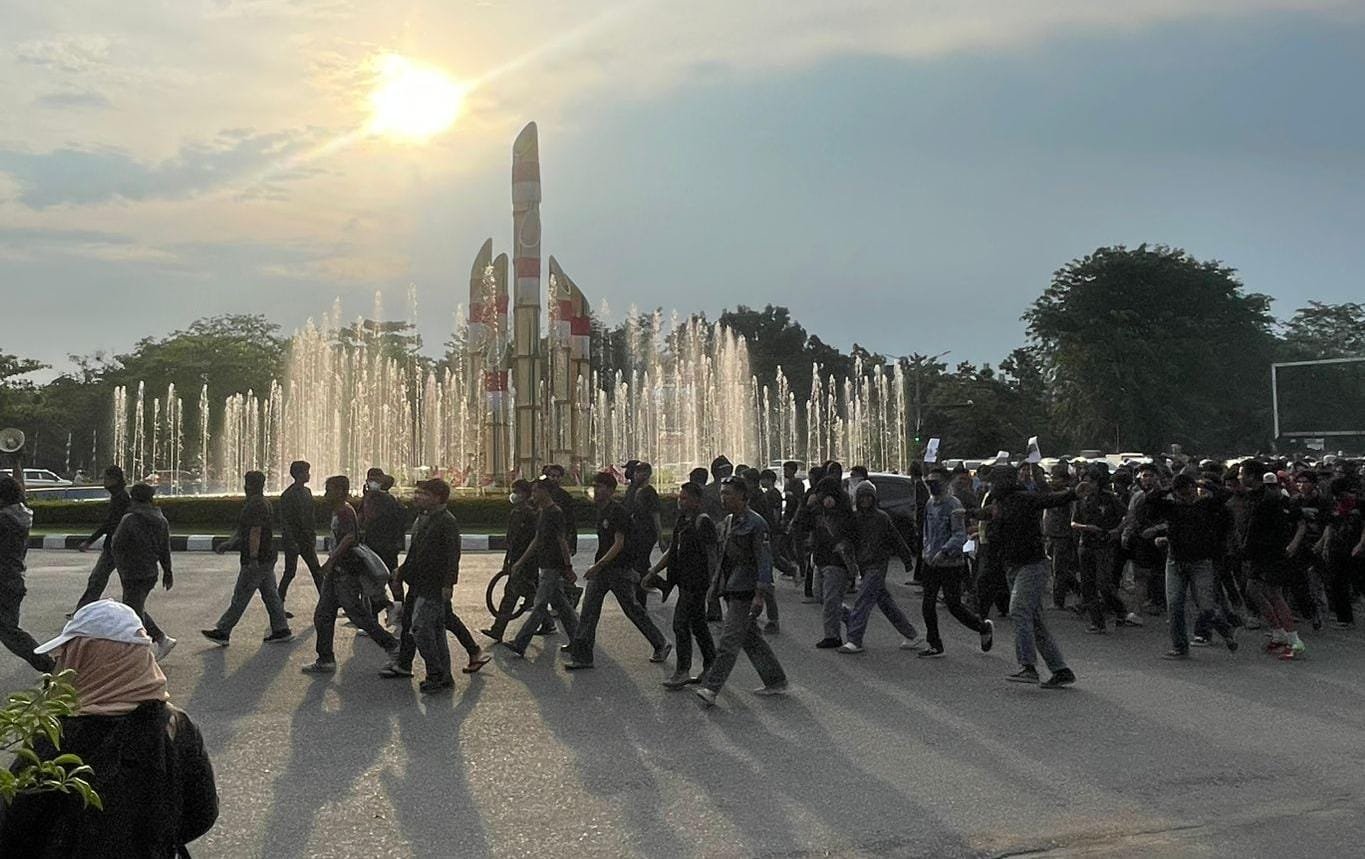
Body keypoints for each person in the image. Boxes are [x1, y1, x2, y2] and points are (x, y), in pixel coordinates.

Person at [0, 600, 218, 855]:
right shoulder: (177, 726)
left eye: (68, 653)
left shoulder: (57, 735)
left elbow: (13, 826)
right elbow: (202, 813)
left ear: (85, 659)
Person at [694, 476, 788, 707]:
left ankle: (712, 687)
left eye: (729, 494)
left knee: (729, 640)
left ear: (743, 497)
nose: (723, 497)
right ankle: (775, 679)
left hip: (747, 589)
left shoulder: (756, 524)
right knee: (750, 638)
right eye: (722, 493)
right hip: (731, 587)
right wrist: (714, 588)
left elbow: (764, 562)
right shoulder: (727, 522)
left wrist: (760, 596)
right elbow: (722, 558)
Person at [563, 472, 671, 670]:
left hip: (617, 570)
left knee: (633, 610)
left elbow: (618, 544)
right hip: (604, 570)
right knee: (588, 611)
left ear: (611, 491)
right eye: (595, 486)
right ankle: (583, 656)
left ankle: (660, 643)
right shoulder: (602, 511)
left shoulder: (617, 512)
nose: (596, 490)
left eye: (601, 487)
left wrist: (598, 565)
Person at [982, 466, 1077, 687]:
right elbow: (994, 531)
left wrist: (1073, 493)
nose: (991, 485)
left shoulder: (1022, 498)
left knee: (1019, 611)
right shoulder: (998, 505)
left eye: (994, 481)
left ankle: (1028, 666)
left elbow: (1049, 500)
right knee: (1033, 621)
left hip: (1032, 565)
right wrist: (976, 515)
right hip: (1013, 565)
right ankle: (1060, 670)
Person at [382, 478, 476, 693]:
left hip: (433, 584)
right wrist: (402, 571)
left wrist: (448, 584)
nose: (417, 497)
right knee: (435, 630)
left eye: (423, 494)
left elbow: (453, 556)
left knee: (421, 629)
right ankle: (443, 676)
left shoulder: (446, 521)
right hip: (418, 581)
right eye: (417, 493)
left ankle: (435, 673)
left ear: (438, 498)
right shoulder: (424, 518)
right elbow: (416, 551)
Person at [301, 475, 400, 674]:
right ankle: (325, 658)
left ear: (340, 490)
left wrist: (331, 561)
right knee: (323, 614)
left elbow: (349, 538)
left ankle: (393, 646)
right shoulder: (339, 510)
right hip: (337, 573)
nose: (326, 493)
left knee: (357, 614)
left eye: (329, 489)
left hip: (344, 573)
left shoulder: (345, 511)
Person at [1142, 473, 1238, 658]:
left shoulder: (1205, 506)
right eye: (1182, 493)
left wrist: (1204, 483)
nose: (1186, 496)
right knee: (1175, 605)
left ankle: (1223, 627)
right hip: (1175, 561)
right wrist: (1170, 487)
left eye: (1189, 491)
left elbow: (1226, 494)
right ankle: (1180, 646)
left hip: (1201, 562)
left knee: (1206, 606)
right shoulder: (1171, 507)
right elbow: (1150, 500)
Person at [202, 471, 294, 647]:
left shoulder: (256, 504)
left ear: (249, 485)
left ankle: (223, 631)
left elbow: (255, 532)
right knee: (270, 594)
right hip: (267, 556)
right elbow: (245, 530)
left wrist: (252, 558)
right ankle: (281, 629)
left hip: (257, 558)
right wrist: (229, 543)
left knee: (241, 595)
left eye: (246, 483)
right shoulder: (261, 502)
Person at [839, 479, 925, 653]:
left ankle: (854, 639)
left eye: (868, 497)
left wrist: (907, 559)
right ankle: (911, 635)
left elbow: (896, 539)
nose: (865, 501)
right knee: (885, 602)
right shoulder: (855, 519)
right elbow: (848, 539)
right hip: (865, 564)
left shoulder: (881, 518)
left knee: (863, 600)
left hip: (877, 564)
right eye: (862, 497)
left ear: (874, 498)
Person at [915, 467, 993, 658]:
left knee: (954, 605)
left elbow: (959, 534)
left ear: (945, 483)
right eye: (930, 483)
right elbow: (927, 530)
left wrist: (945, 551)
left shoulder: (953, 504)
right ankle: (934, 643)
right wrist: (926, 551)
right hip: (931, 561)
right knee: (928, 604)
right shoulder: (930, 504)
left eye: (936, 483)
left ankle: (982, 627)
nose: (932, 487)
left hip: (950, 563)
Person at [650, 482, 718, 687]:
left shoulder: (703, 522)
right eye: (680, 497)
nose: (681, 501)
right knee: (698, 625)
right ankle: (711, 665)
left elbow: (712, 555)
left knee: (680, 624)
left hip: (697, 583)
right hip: (684, 581)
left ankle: (683, 670)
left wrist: (713, 585)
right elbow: (673, 550)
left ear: (697, 501)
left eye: (685, 498)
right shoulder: (682, 520)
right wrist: (654, 571)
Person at [502, 477, 579, 656]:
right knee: (563, 606)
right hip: (544, 563)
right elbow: (537, 540)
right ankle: (579, 639)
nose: (533, 494)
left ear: (545, 491)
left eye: (536, 490)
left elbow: (562, 540)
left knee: (539, 605)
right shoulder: (543, 512)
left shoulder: (555, 512)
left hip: (553, 565)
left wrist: (568, 566)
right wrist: (520, 562)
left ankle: (520, 643)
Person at [1241, 463, 1306, 660]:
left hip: (1271, 553)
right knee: (1252, 589)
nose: (1240, 477)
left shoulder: (1269, 500)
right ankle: (1279, 633)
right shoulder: (1255, 497)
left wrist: (1289, 546)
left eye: (1242, 473)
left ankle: (1294, 640)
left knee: (1274, 593)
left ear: (1252, 476)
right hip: (1260, 553)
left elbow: (1261, 530)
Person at [109, 482, 177, 660]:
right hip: (149, 572)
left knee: (133, 613)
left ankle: (145, 651)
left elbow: (116, 544)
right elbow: (165, 548)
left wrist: (120, 564)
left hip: (131, 571)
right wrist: (168, 572)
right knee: (133, 607)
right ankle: (158, 640)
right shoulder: (161, 520)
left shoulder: (129, 520)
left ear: (134, 499)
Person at [0, 454, 54, 672]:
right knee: (8, 630)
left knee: (9, 631)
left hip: (3, 581)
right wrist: (16, 464)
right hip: (12, 579)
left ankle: (50, 665)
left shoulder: (3, 521)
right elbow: (19, 490)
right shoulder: (20, 513)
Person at [1073, 463, 1141, 633]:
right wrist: (1087, 528)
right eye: (1085, 482)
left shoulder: (1109, 498)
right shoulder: (1081, 499)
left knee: (1103, 584)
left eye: (1091, 482)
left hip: (1104, 545)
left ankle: (1119, 610)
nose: (1088, 486)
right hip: (1086, 544)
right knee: (1087, 585)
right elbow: (1073, 522)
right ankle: (1097, 622)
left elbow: (1129, 515)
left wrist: (1117, 530)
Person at [483, 479, 539, 641]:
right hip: (515, 558)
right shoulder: (515, 513)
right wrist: (507, 560)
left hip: (526, 560)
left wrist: (522, 560)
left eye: (518, 492)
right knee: (528, 593)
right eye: (514, 491)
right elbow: (511, 539)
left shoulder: (530, 514)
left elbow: (534, 540)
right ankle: (546, 620)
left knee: (511, 594)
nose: (514, 495)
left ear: (526, 495)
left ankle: (498, 629)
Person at [72, 465, 131, 613]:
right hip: (117, 545)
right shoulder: (119, 495)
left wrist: (89, 541)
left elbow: (110, 524)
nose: (103, 481)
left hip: (117, 545)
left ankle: (82, 611)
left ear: (114, 480)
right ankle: (83, 610)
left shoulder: (121, 497)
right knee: (99, 579)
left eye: (106, 478)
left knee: (98, 579)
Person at [811, 476, 858, 648]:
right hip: (820, 558)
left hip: (837, 560)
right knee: (821, 596)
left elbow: (852, 534)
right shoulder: (816, 511)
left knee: (831, 599)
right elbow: (802, 524)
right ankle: (851, 617)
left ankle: (832, 636)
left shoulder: (845, 513)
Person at [361, 468, 407, 621]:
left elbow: (370, 517)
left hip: (386, 546)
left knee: (389, 578)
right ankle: (391, 610)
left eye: (376, 479)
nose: (372, 481)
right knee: (374, 579)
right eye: (370, 478)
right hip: (374, 545)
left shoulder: (386, 499)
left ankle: (396, 609)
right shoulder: (371, 498)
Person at [277, 459, 322, 618]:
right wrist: (292, 542)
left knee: (316, 571)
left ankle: (325, 603)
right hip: (294, 539)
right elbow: (286, 521)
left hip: (306, 539)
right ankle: (278, 605)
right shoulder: (288, 495)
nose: (308, 475)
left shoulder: (307, 492)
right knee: (290, 572)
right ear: (298, 474)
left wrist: (313, 534)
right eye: (306, 472)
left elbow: (310, 516)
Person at [1323, 476, 1364, 628]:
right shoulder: (1334, 506)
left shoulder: (1360, 505)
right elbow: (1330, 526)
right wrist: (1325, 544)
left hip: (1357, 548)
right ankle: (1344, 618)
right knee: (1337, 583)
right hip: (1337, 548)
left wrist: (1360, 544)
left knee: (1358, 582)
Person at [1042, 464, 1080, 611]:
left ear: (1064, 480)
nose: (1052, 481)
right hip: (1051, 535)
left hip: (1063, 536)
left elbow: (1073, 515)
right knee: (1059, 569)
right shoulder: (1051, 493)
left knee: (1058, 569)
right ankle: (1080, 591)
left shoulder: (1067, 496)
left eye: (1056, 478)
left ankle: (1058, 601)